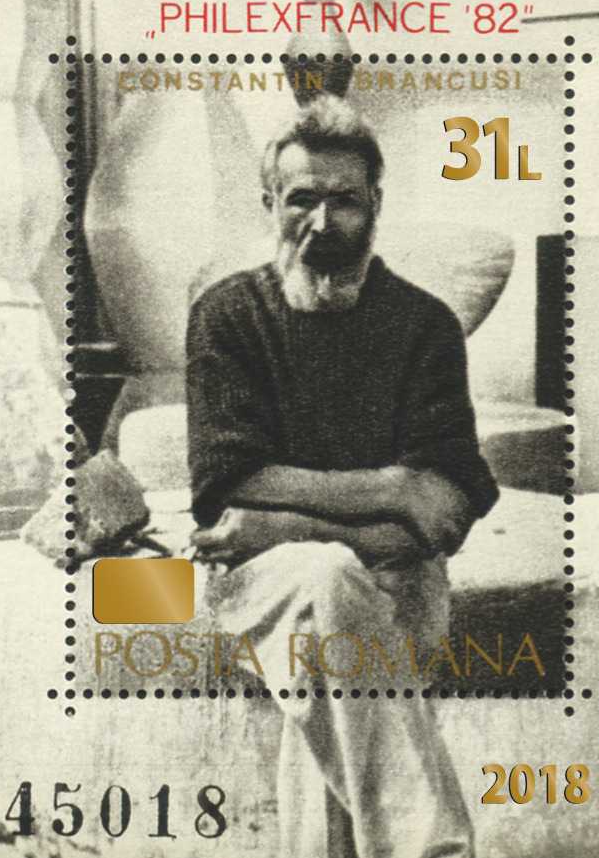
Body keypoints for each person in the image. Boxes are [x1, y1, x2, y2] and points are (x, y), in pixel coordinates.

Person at [186, 95, 498, 858]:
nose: (322, 223)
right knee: (326, 579)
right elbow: (226, 480)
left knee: (330, 643)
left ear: (374, 206)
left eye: (344, 200)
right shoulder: (227, 315)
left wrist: (285, 517)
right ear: (269, 203)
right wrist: (391, 488)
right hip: (265, 578)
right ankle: (436, 848)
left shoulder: (424, 325)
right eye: (302, 199)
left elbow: (445, 507)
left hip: (396, 574)